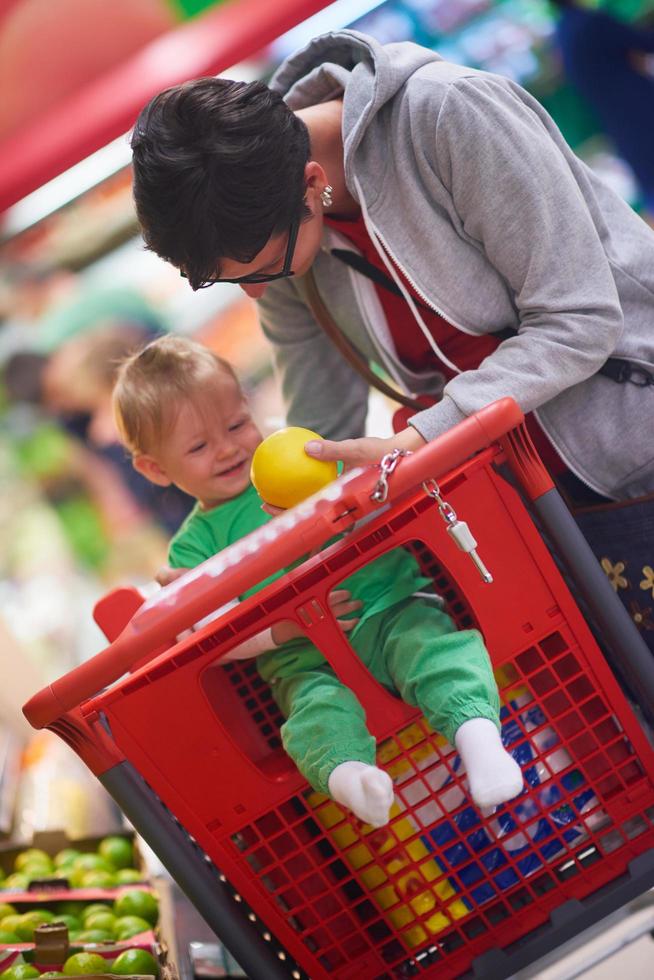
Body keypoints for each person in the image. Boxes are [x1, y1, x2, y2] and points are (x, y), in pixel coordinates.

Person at [129, 29, 654, 647]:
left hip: (633, 437)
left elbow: (579, 317)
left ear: (311, 182)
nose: (257, 296)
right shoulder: (264, 221)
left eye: (262, 271)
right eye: (230, 283)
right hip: (531, 503)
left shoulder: (449, 115)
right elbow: (316, 435)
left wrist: (420, 437)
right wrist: (221, 560)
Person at [112, 335, 523, 827]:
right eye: (199, 446)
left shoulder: (305, 454)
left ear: (249, 405)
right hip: (305, 660)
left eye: (237, 424)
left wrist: (346, 491)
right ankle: (351, 777)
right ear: (154, 468)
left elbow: (378, 499)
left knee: (439, 652)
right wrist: (284, 629)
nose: (227, 449)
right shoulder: (191, 549)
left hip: (389, 605)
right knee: (311, 719)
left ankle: (479, 741)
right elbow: (206, 637)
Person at [551, 0, 654, 223]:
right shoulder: (592, 22)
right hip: (642, 109)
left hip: (618, 124)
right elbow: (645, 43)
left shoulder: (561, 36)